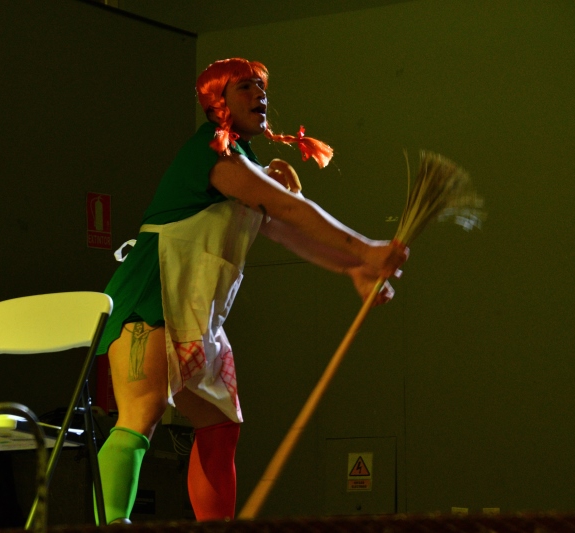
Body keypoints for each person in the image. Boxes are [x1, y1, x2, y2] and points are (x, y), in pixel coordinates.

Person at [94, 58, 409, 525]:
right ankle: (109, 526)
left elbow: (284, 229)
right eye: (245, 87)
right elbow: (286, 207)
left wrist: (353, 268)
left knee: (220, 426)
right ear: (217, 102)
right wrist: (366, 249)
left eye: (261, 87)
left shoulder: (246, 164)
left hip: (199, 316)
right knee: (143, 410)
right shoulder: (214, 154)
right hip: (152, 297)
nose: (260, 95)